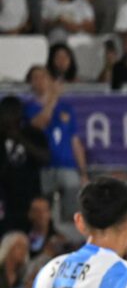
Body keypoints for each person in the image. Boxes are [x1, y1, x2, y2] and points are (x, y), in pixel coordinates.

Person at [25, 66, 89, 236]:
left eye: (43, 76)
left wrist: (83, 171)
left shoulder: (66, 109)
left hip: (67, 165)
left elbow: (75, 140)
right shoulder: (28, 108)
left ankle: (72, 243)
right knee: (46, 212)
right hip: (44, 167)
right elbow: (39, 124)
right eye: (35, 78)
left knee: (73, 211)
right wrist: (53, 98)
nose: (40, 81)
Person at [0, 95, 49, 236]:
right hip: (5, 197)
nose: (8, 117)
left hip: (30, 193)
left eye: (12, 112)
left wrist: (20, 138)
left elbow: (45, 158)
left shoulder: (33, 133)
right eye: (5, 113)